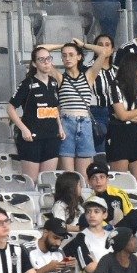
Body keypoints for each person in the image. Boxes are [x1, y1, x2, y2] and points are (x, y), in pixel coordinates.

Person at [8, 47, 64, 183]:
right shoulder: (27, 83)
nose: (46, 62)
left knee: (47, 180)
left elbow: (54, 107)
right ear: (34, 63)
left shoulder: (53, 82)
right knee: (31, 180)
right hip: (32, 139)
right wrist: (23, 129)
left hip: (51, 137)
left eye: (48, 59)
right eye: (41, 59)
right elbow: (10, 108)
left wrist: (60, 127)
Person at [53, 40, 103, 176]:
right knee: (68, 174)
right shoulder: (60, 77)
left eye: (71, 54)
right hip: (66, 123)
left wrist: (83, 45)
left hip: (85, 123)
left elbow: (103, 52)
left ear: (79, 56)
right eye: (64, 55)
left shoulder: (88, 76)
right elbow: (39, 50)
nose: (67, 58)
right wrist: (60, 45)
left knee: (84, 175)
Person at [105, 51, 137, 187]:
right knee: (119, 183)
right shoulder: (114, 86)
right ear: (133, 69)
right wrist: (136, 112)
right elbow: (123, 115)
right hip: (119, 135)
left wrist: (127, 116)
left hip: (134, 134)